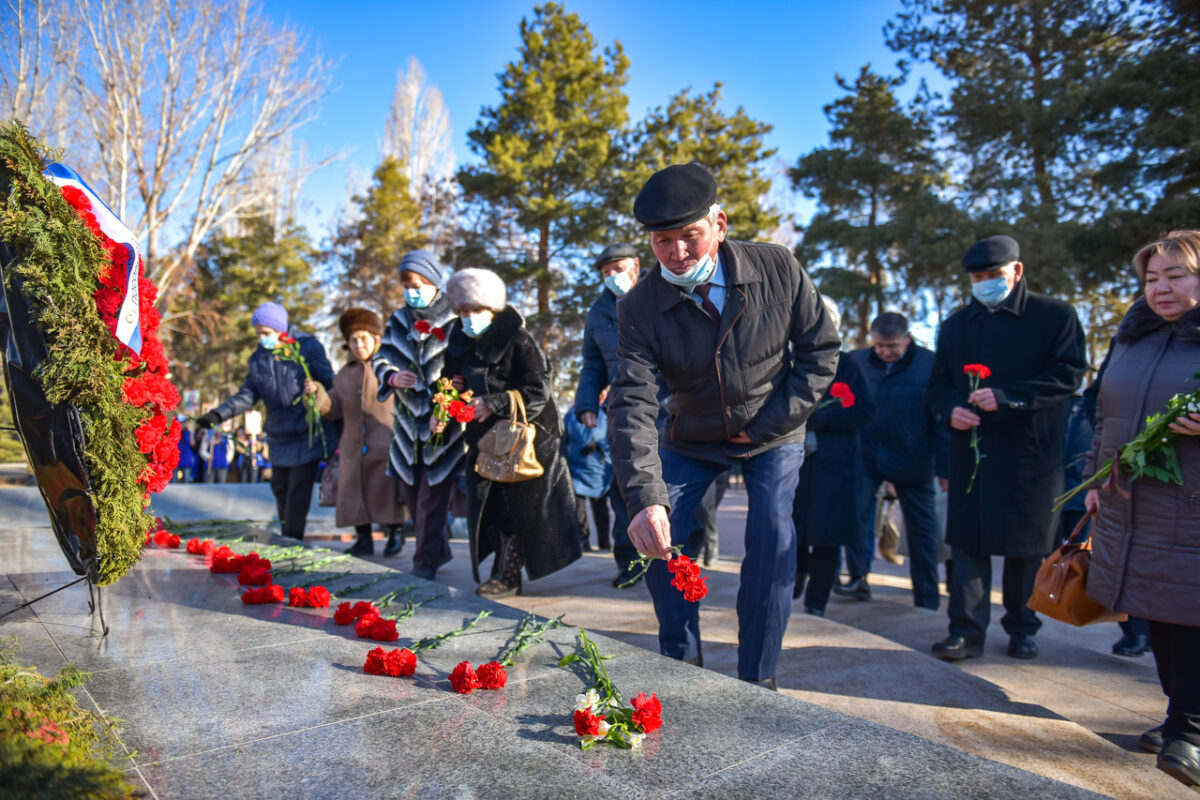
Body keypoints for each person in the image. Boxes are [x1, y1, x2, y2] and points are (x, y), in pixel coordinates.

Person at [609, 163, 840, 689]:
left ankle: (758, 678)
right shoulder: (639, 307)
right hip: (691, 435)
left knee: (773, 536)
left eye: (689, 236)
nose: (677, 254)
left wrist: (764, 427)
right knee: (663, 532)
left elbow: (820, 353)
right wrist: (645, 497)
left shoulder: (777, 267)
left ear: (720, 224)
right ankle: (682, 661)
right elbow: (633, 403)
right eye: (662, 241)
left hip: (773, 430)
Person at [927, 235, 1087, 661]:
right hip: (973, 452)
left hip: (1030, 455)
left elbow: (1068, 375)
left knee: (1026, 549)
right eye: (976, 278)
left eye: (992, 276)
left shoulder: (1055, 316)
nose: (984, 284)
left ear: (1016, 272)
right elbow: (939, 385)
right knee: (968, 546)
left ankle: (1022, 627)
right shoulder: (957, 325)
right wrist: (950, 412)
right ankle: (964, 630)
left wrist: (1009, 397)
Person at [1084, 230, 1200, 789]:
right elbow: (1106, 416)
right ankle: (1180, 713)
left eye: (1176, 275)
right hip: (1133, 497)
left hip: (1191, 502)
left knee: (1191, 612)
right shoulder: (1134, 338)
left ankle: (1191, 731)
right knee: (1158, 611)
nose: (1161, 288)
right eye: (1152, 278)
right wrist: (1095, 479)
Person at [435, 267, 581, 597]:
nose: (468, 318)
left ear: (492, 308)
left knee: (516, 508)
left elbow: (539, 388)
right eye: (462, 311)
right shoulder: (459, 341)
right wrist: (452, 391)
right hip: (486, 442)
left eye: (475, 310)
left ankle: (507, 573)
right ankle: (502, 569)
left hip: (528, 439)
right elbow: (448, 381)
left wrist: (496, 402)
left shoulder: (518, 339)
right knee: (492, 508)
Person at [197, 301, 335, 540]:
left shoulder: (307, 347)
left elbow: (330, 383)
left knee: (297, 491)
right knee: (279, 487)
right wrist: (218, 414)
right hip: (280, 434)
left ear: (281, 330)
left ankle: (292, 539)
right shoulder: (258, 360)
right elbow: (247, 395)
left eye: (266, 333)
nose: (262, 339)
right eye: (258, 334)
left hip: (307, 432)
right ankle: (287, 535)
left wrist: (317, 391)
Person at [840, 312, 948, 609]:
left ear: (907, 340)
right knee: (855, 518)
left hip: (914, 457)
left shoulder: (930, 364)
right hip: (866, 455)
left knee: (922, 529)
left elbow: (941, 419)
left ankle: (926, 593)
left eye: (893, 346)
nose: (887, 352)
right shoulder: (856, 362)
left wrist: (945, 467)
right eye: (880, 346)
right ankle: (859, 579)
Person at [374, 251, 462, 575]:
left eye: (417, 283)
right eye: (406, 284)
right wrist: (392, 376)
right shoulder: (399, 320)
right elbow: (381, 358)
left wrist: (448, 402)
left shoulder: (454, 318)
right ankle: (439, 550)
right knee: (412, 495)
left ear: (433, 282)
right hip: (407, 425)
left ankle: (423, 563)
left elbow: (462, 369)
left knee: (433, 496)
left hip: (443, 423)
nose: (411, 290)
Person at [793, 298, 875, 617]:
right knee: (793, 531)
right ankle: (797, 576)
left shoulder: (848, 364)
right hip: (798, 466)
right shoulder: (789, 360)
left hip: (836, 470)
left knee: (828, 540)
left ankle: (817, 602)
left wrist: (822, 419)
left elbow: (865, 411)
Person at [575, 242, 649, 586]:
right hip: (620, 411)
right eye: (606, 273)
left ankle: (675, 560)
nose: (613, 277)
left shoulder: (661, 293)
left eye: (618, 269)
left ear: (635, 264)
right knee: (623, 488)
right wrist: (587, 403)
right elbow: (592, 364)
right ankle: (630, 561)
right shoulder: (598, 313)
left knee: (672, 485)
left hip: (668, 409)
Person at [307, 308, 407, 557]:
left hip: (384, 441)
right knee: (354, 492)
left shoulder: (390, 369)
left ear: (376, 338)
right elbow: (333, 407)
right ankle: (363, 539)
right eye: (353, 340)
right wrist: (317, 393)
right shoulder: (344, 374)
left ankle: (396, 533)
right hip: (352, 444)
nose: (358, 344)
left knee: (386, 491)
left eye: (364, 338)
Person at [564, 399, 612, 551]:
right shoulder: (572, 414)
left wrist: (599, 447)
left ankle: (604, 542)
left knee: (600, 508)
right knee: (579, 509)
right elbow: (564, 436)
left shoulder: (605, 413)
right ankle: (583, 540)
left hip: (599, 470)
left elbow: (612, 438)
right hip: (576, 468)